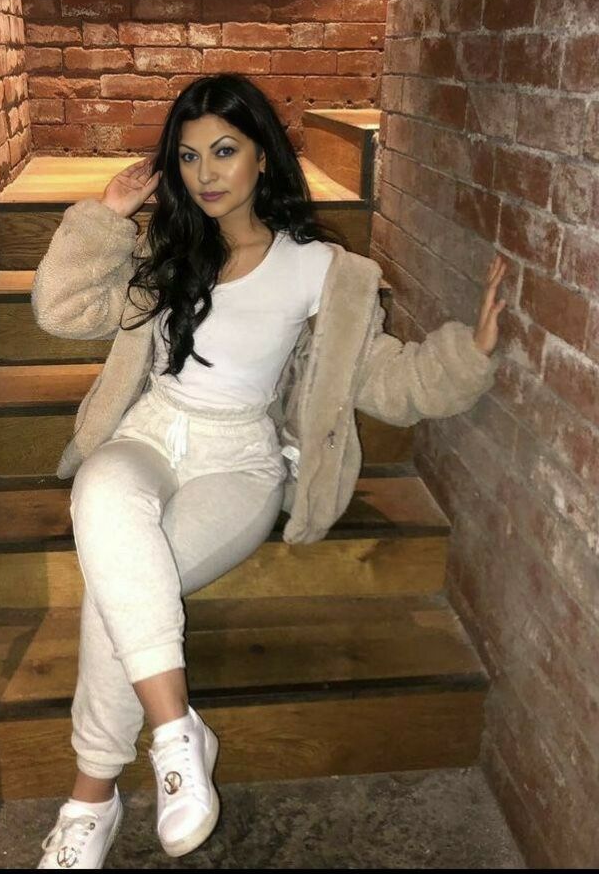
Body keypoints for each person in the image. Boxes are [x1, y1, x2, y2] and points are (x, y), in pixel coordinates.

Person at [34, 73, 506, 869]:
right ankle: (176, 732)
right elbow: (60, 310)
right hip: (149, 434)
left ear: (263, 156)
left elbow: (384, 378)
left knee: (121, 585)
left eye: (225, 150)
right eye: (189, 156)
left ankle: (91, 797)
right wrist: (105, 217)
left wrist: (472, 355)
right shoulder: (169, 249)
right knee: (102, 491)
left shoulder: (321, 268)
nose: (205, 173)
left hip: (239, 462)